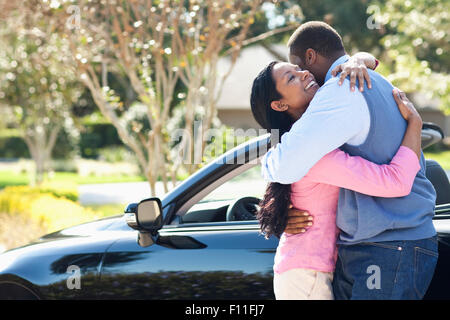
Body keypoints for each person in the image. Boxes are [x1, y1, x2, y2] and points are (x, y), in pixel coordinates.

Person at [260, 21, 438, 300]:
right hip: (378, 244)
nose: (304, 73)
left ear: (310, 56)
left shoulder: (341, 89)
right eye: (293, 76)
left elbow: (282, 166)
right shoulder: (371, 80)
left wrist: (416, 124)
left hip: (388, 243)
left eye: (298, 66)